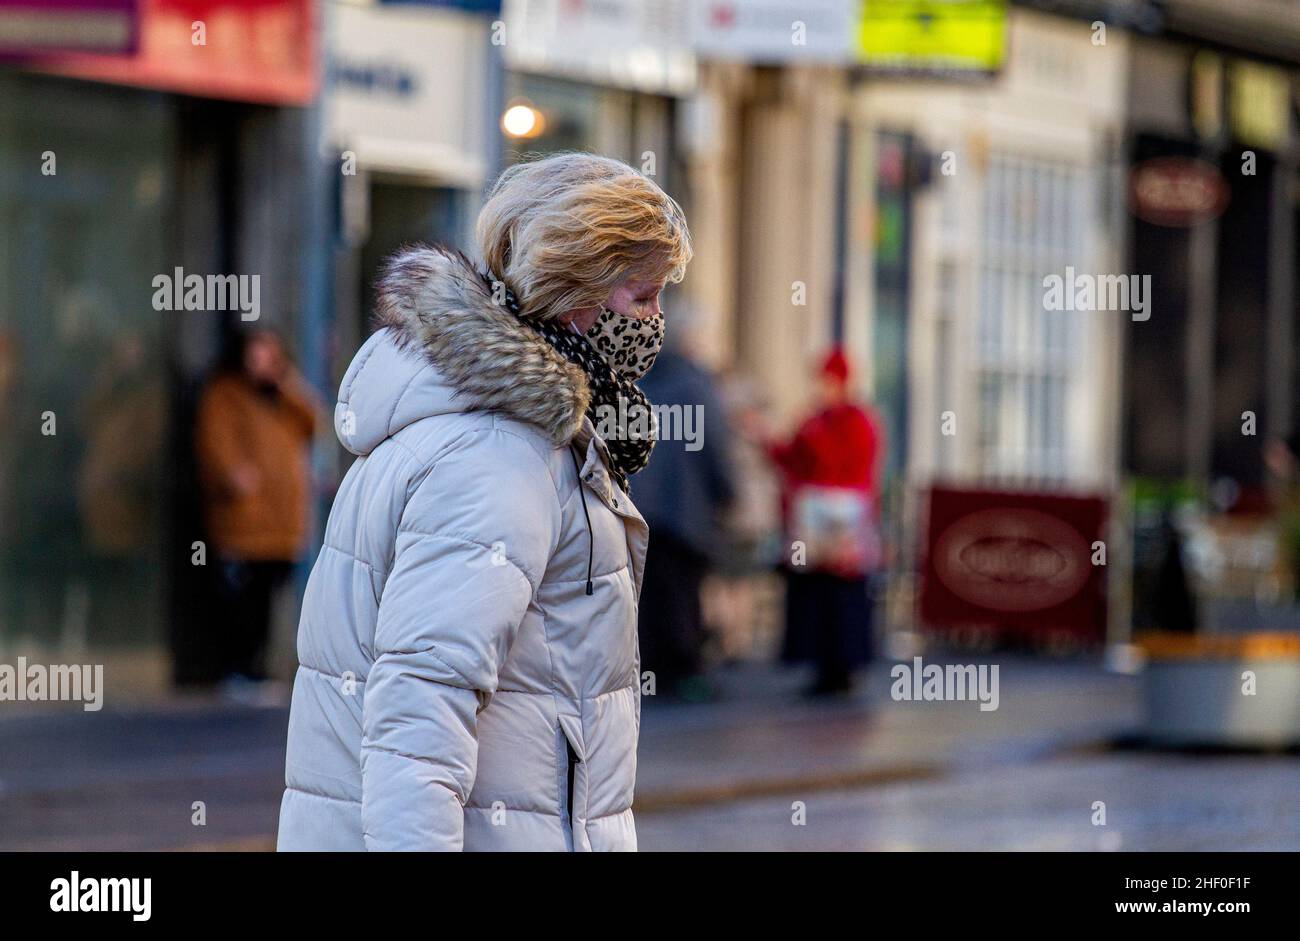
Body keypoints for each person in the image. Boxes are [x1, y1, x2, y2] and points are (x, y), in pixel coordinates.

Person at [277, 153, 691, 852]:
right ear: (577, 287)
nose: (655, 321)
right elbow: (420, 712)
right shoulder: (497, 455)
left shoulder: (520, 435)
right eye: (643, 295)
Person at [195, 328, 319, 691]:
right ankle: (238, 671)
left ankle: (257, 668)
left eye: (271, 353)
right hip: (245, 521)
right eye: (257, 353)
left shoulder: (283, 397)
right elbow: (215, 444)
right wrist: (235, 477)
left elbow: (316, 422)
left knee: (266, 600)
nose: (263, 362)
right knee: (242, 602)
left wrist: (288, 382)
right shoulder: (226, 394)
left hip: (282, 522)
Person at [767, 348, 884, 697]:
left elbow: (842, 464)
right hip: (815, 526)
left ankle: (844, 668)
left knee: (842, 599)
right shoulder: (815, 418)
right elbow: (790, 457)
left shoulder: (856, 421)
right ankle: (822, 666)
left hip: (843, 526)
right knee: (816, 596)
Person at [633, 325, 736, 702]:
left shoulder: (637, 379)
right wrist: (727, 491)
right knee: (683, 589)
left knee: (647, 590)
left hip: (641, 504)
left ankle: (651, 669)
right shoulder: (695, 384)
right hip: (685, 508)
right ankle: (686, 668)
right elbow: (715, 445)